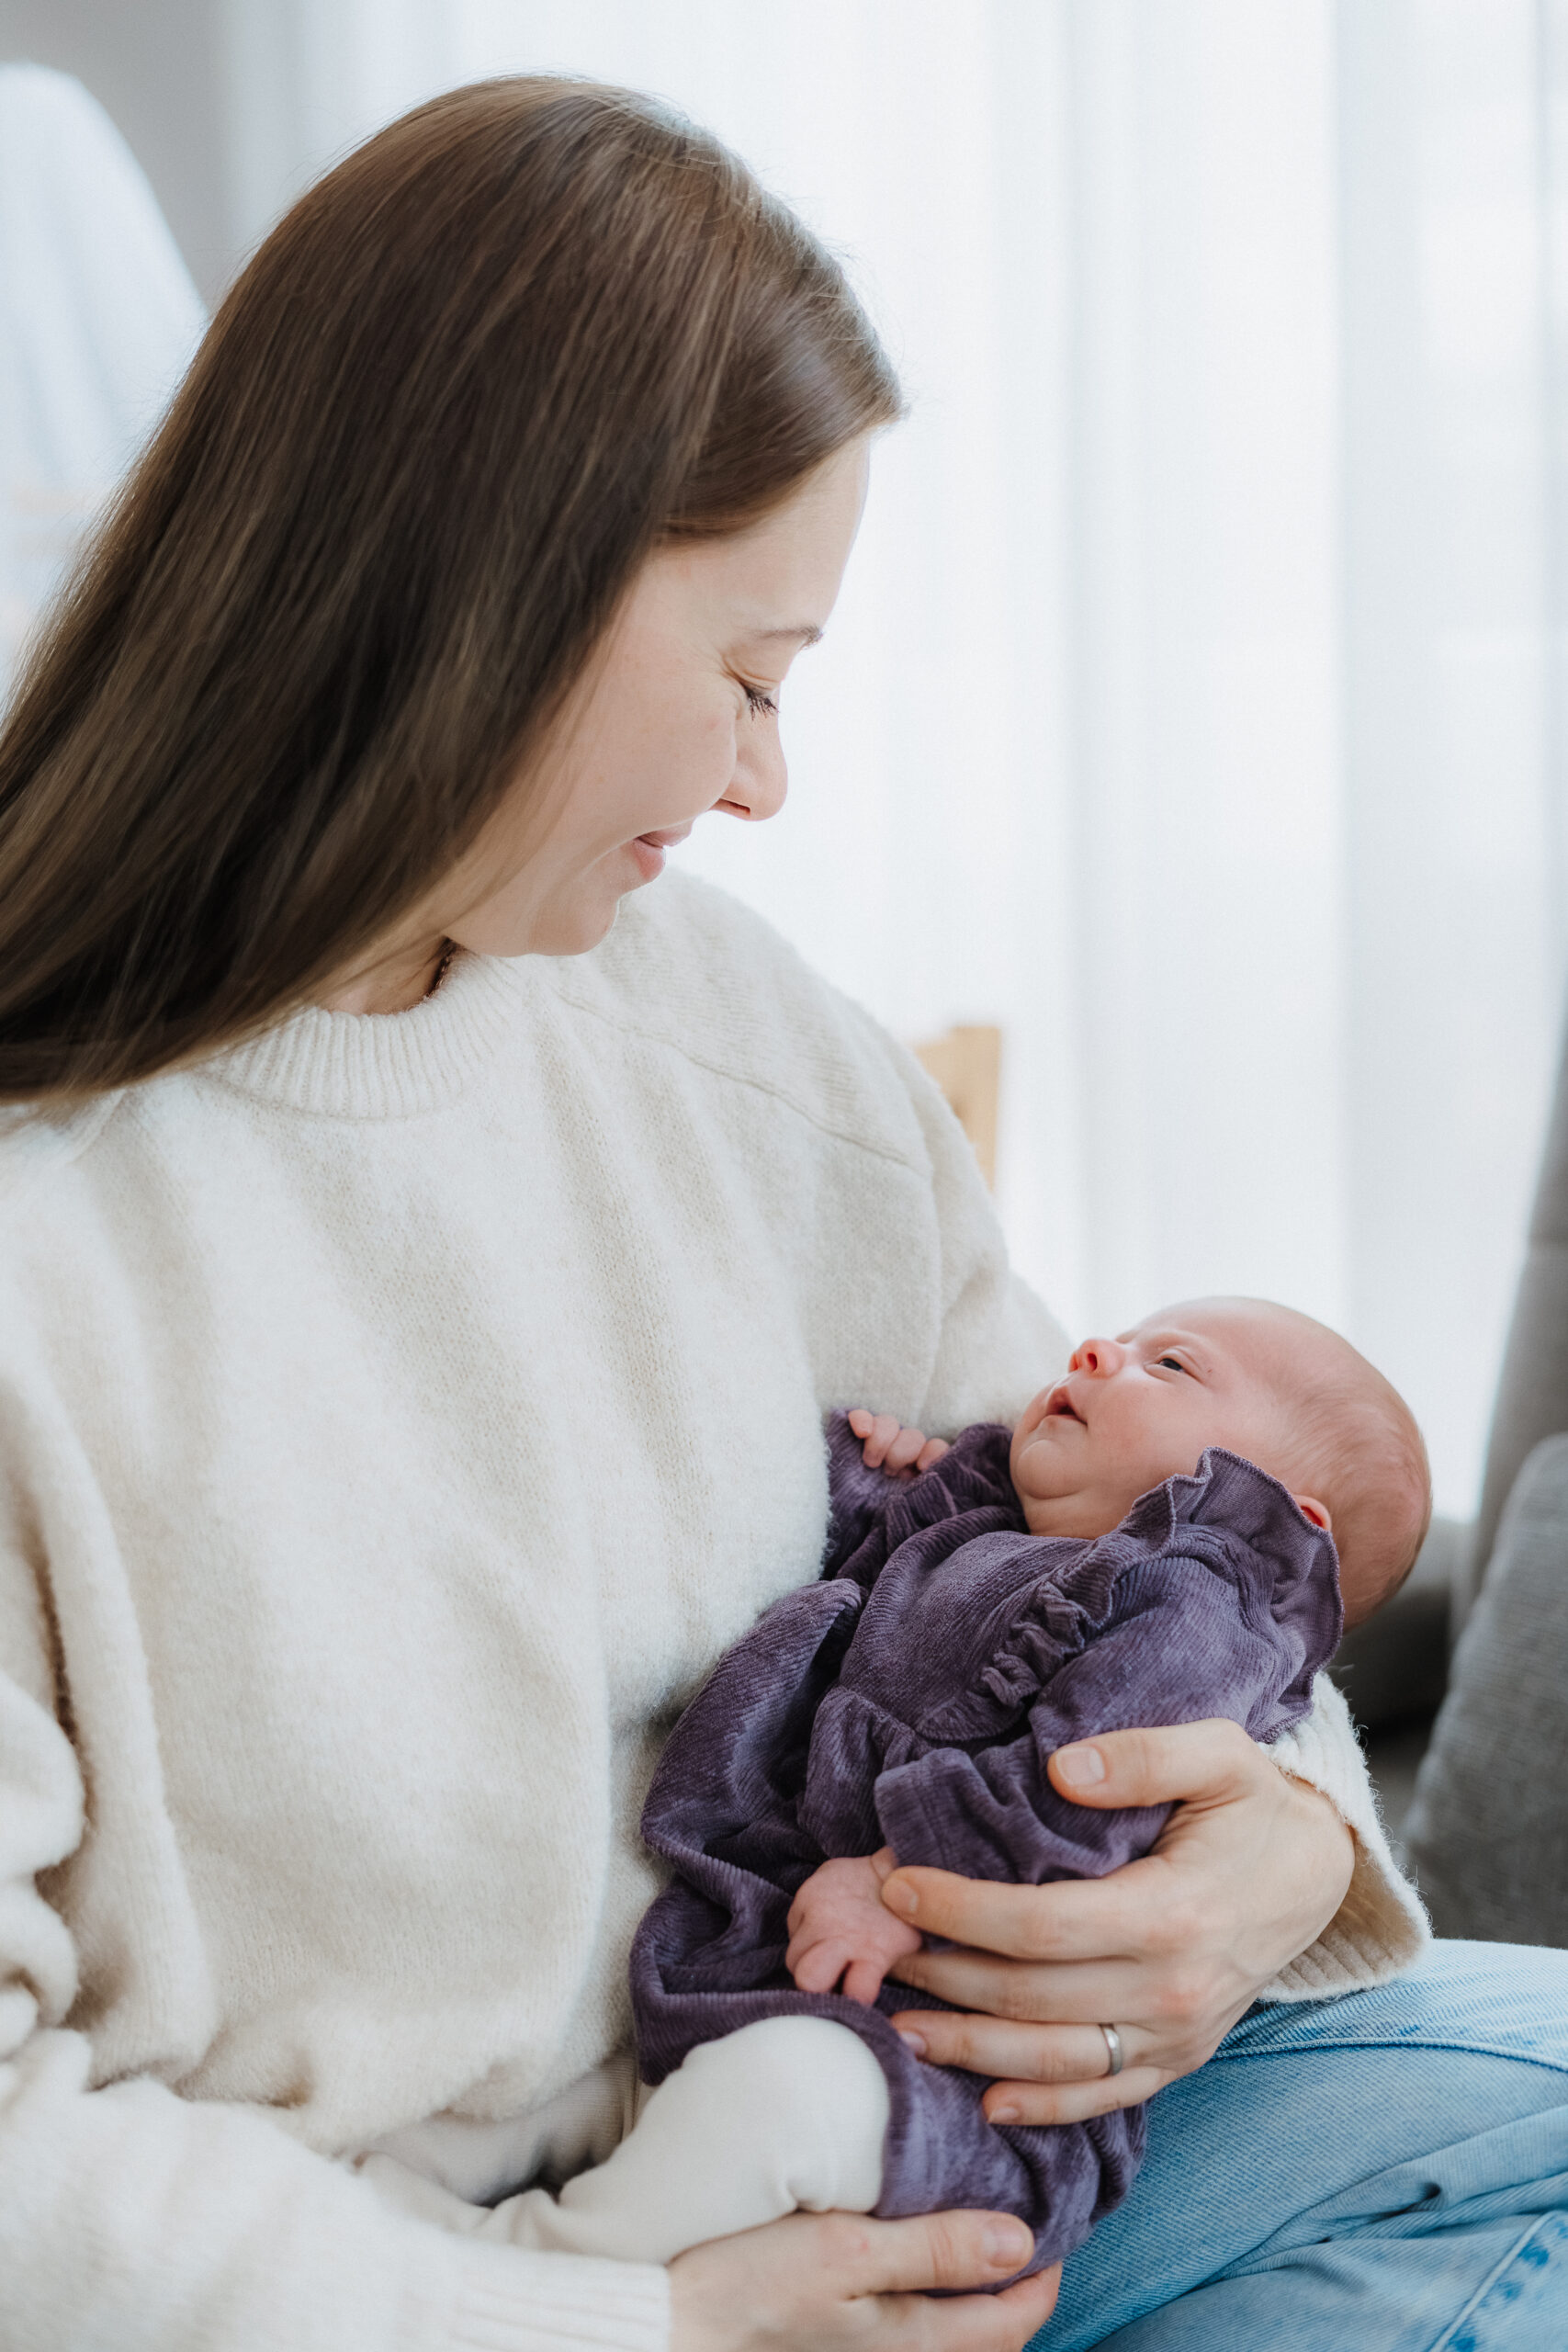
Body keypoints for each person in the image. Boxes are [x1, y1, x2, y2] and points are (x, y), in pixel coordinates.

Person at [0, 74, 1562, 2352]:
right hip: (437, 2286)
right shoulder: (64, 1248)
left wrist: (1272, 1853)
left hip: (878, 2112)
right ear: (487, 591)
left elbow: (1140, 1539)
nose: (762, 780)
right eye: (745, 675)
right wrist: (631, 2330)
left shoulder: (737, 1047)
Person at [367, 1299, 1423, 2271]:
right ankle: (409, 2207)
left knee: (770, 2103)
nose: (1096, 1350)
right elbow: (861, 1576)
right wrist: (892, 1481)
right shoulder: (1005, 1527)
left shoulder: (1198, 1605)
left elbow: (1090, 1790)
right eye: (1120, 1338)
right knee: (618, 2094)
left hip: (947, 2081)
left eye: (1173, 1364)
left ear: (1286, 1519)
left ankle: (540, 2255)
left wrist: (899, 1877)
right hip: (789, 1975)